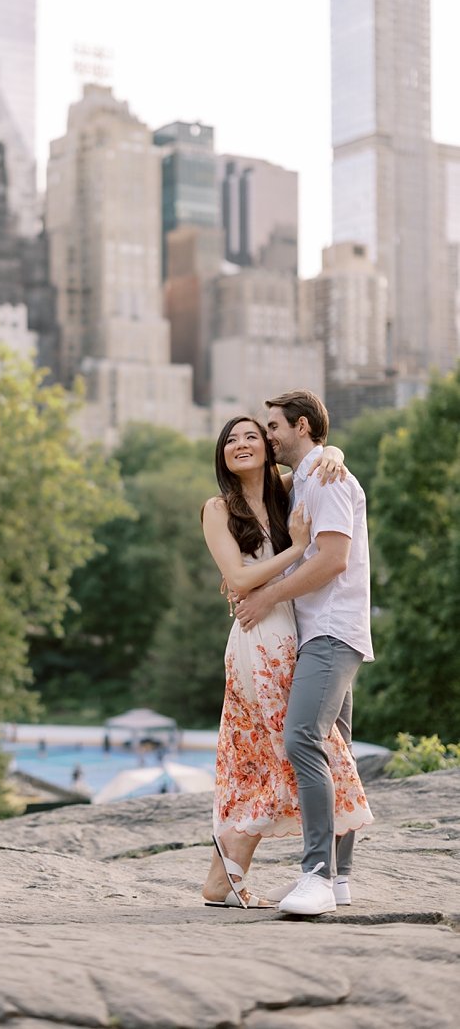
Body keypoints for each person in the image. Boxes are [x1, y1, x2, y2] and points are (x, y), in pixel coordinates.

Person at [233, 390, 377, 915]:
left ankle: (315, 874)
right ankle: (338, 879)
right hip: (311, 633)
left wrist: (266, 596)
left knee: (301, 739)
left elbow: (333, 560)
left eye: (271, 427)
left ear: (300, 425)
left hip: (332, 632)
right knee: (336, 753)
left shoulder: (329, 479)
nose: (267, 436)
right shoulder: (306, 479)